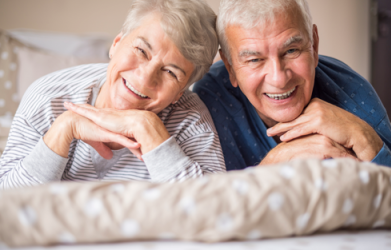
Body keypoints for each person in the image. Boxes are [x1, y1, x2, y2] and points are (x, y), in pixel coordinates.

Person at [0, 0, 225, 189]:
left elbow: (212, 213)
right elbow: (6, 203)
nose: (145, 79)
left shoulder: (191, 119)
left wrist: (147, 128)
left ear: (180, 92)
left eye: (170, 72)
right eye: (141, 50)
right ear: (116, 44)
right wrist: (64, 128)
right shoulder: (47, 97)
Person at [193, 0, 391, 170]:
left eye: (291, 50)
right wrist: (273, 163)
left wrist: (362, 136)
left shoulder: (353, 91)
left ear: (314, 45)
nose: (279, 79)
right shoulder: (211, 98)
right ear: (230, 67)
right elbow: (207, 212)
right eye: (254, 60)